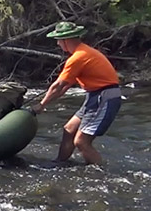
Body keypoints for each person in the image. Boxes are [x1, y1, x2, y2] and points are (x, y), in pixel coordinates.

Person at [30, 21, 121, 165]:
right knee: (69, 129)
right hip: (95, 96)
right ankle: (59, 163)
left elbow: (58, 85)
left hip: (104, 98)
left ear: (66, 40)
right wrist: (47, 101)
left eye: (58, 40)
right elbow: (64, 87)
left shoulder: (78, 57)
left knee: (81, 142)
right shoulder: (83, 52)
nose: (58, 44)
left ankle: (101, 174)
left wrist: (42, 104)